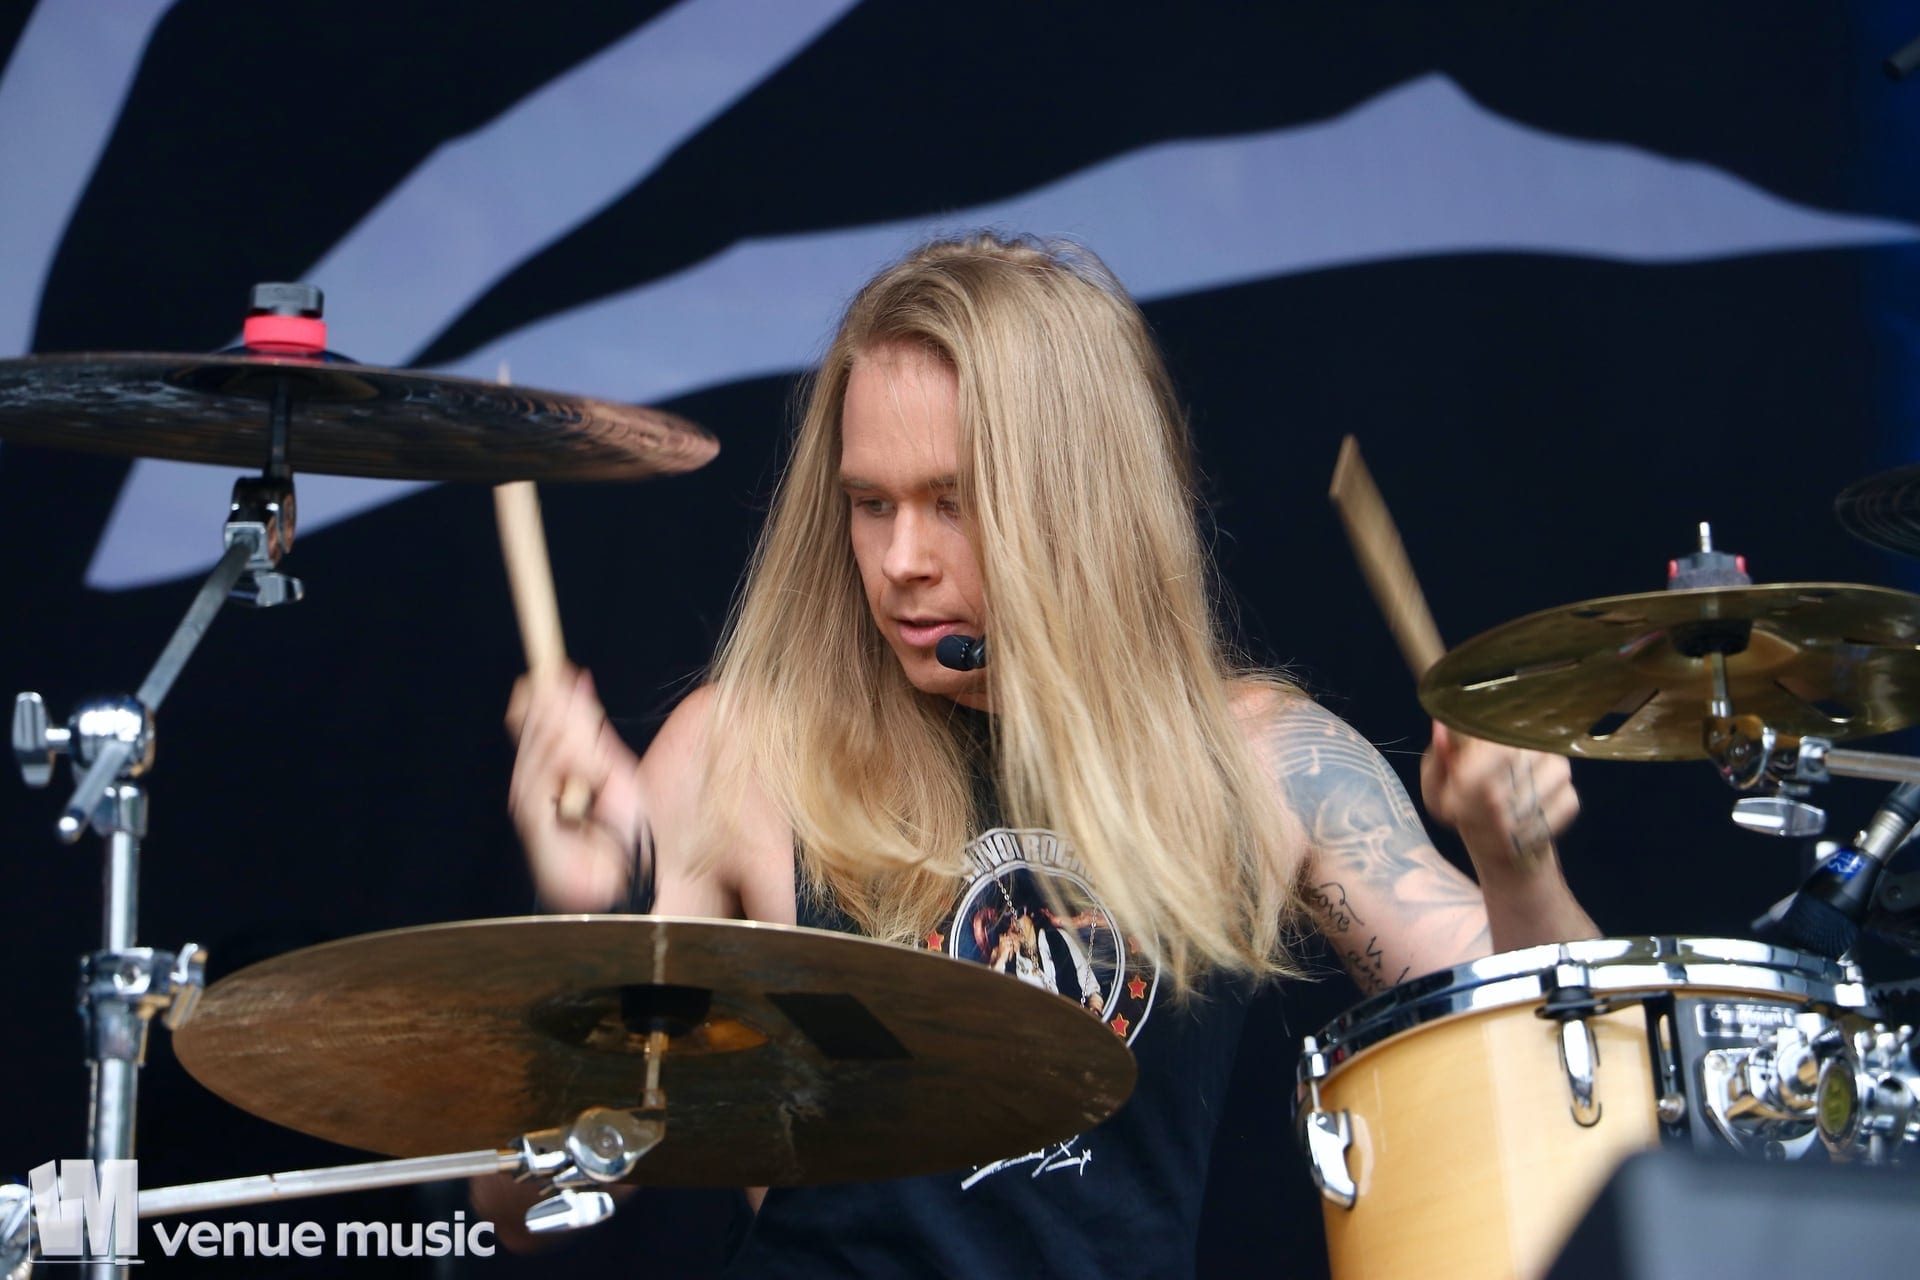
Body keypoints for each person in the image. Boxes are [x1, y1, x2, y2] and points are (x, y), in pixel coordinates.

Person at [485, 234, 1595, 1275]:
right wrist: (582, 918)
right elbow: (521, 1206)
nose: (900, 560)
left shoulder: (1264, 760)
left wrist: (1516, 859)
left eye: (953, 503)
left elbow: (1567, 1078)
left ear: (1081, 505)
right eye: (869, 503)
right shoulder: (743, 753)